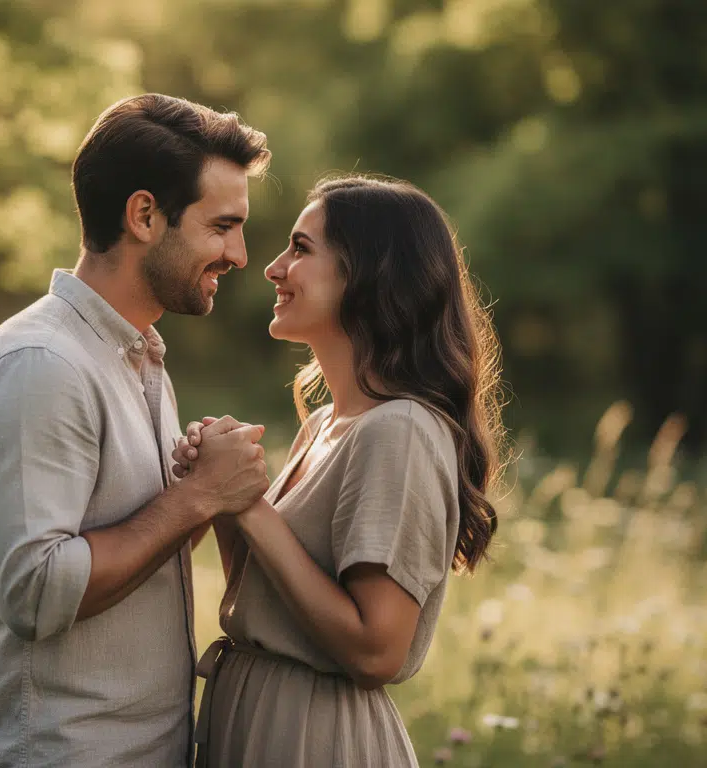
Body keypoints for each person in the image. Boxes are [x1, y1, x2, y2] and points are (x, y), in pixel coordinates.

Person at [0, 93, 272, 768]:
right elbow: (36, 593)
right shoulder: (42, 365)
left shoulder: (139, 356)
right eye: (221, 226)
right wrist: (196, 498)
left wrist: (193, 488)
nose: (238, 254)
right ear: (145, 215)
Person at [171, 175, 505, 766]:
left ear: (370, 274)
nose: (273, 268)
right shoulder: (323, 423)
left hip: (313, 737)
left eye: (300, 249)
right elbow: (268, 598)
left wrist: (251, 505)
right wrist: (223, 491)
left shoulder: (398, 431)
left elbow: (377, 651)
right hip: (255, 717)